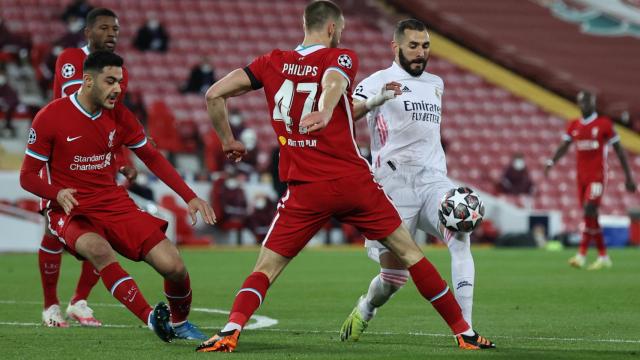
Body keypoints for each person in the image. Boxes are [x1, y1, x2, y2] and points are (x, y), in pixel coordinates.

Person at [196, 1, 494, 352]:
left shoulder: (269, 62)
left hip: (305, 188)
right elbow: (335, 80)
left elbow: (214, 93)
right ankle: (464, 333)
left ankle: (230, 330)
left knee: (266, 268)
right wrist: (325, 108)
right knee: (412, 256)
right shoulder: (342, 58)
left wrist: (227, 140)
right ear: (333, 29)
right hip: (353, 183)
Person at [20, 51, 215, 342]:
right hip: (70, 209)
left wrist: (190, 196)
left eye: (120, 82)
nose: (118, 88)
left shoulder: (121, 115)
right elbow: (27, 176)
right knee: (99, 251)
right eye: (110, 81)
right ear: (87, 81)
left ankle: (180, 322)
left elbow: (151, 157)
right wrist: (56, 193)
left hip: (113, 201)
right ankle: (151, 318)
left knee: (173, 265)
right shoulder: (50, 117)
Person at [338, 18, 481, 343]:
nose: (420, 52)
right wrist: (375, 101)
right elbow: (345, 113)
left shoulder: (436, 83)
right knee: (393, 278)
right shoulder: (379, 80)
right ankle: (366, 309)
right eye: (413, 46)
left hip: (433, 181)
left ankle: (467, 331)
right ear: (396, 47)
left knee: (460, 234)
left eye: (425, 46)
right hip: (393, 185)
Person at [39, 8, 134, 329]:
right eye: (105, 28)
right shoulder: (70, 57)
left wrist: (122, 159)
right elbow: (71, 99)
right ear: (88, 32)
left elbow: (115, 119)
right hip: (63, 158)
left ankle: (80, 301)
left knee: (102, 231)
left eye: (116, 29)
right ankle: (50, 305)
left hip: (99, 162)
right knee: (54, 231)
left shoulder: (118, 70)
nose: (112, 34)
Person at [545, 90, 636, 270]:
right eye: (581, 102)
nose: (583, 105)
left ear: (593, 103)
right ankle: (603, 256)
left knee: (589, 209)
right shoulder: (574, 125)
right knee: (590, 216)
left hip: (598, 176)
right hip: (581, 178)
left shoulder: (604, 124)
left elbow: (619, 150)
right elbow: (564, 145)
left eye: (587, 102)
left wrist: (628, 177)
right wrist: (551, 161)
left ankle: (581, 255)